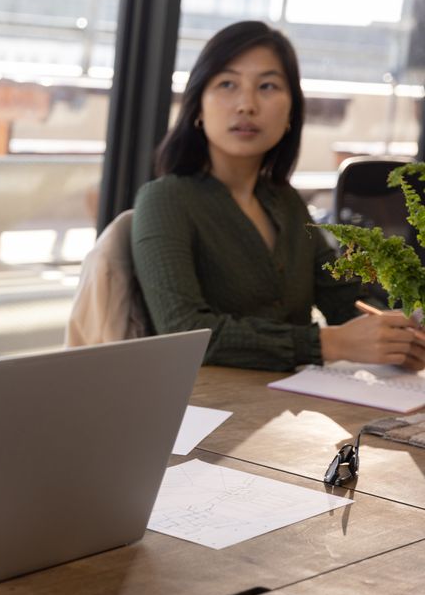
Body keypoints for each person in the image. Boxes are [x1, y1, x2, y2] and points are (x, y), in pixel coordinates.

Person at [131, 20, 425, 371]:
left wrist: (400, 331)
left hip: (289, 404)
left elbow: (343, 299)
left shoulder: (286, 202)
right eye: (227, 84)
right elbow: (184, 331)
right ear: (197, 106)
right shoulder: (166, 199)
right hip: (206, 411)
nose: (247, 104)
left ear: (290, 113)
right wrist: (327, 343)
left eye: (267, 86)